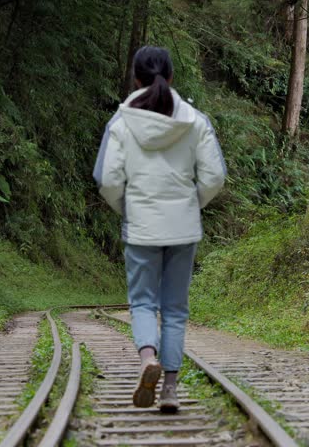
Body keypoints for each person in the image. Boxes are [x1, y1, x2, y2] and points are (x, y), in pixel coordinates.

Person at [93, 46, 226, 413]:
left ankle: (147, 358)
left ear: (135, 78)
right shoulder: (195, 121)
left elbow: (108, 179)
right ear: (170, 77)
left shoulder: (121, 122)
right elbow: (214, 177)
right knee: (175, 309)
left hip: (141, 228)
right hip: (183, 227)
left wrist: (128, 208)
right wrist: (191, 204)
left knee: (143, 302)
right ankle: (169, 388)